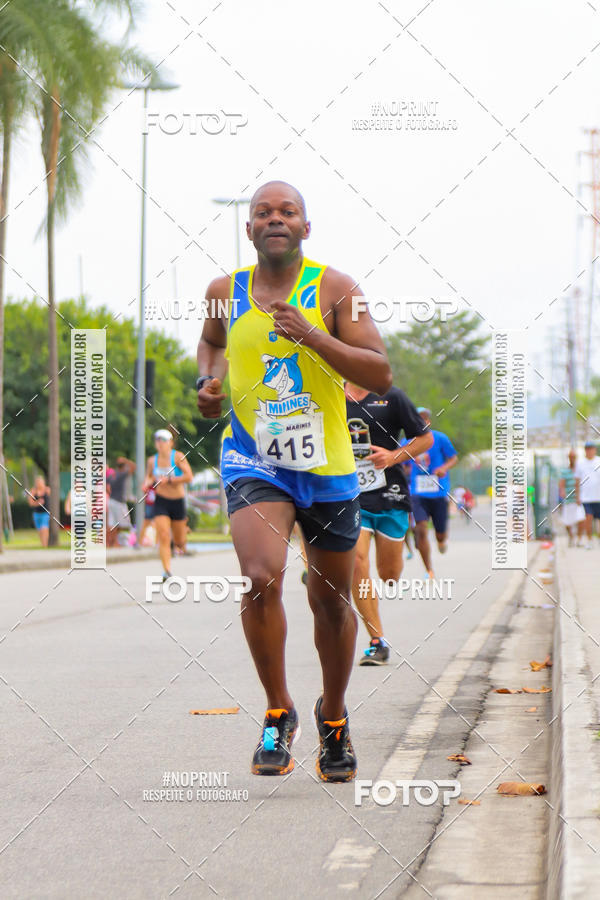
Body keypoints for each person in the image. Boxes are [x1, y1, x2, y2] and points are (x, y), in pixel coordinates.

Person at [196, 180, 392, 783]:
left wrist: (311, 334)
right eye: (263, 212)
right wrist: (207, 384)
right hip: (255, 458)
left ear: (306, 228)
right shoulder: (222, 292)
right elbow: (210, 343)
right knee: (260, 577)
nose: (274, 218)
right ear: (249, 228)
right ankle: (278, 711)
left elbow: (380, 373)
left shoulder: (336, 288)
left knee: (330, 603)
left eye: (288, 212)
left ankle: (332, 718)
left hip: (328, 464)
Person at [345, 381, 433, 665]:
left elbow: (425, 439)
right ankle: (376, 641)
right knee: (357, 562)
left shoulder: (391, 396)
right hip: (350, 494)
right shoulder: (332, 393)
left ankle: (392, 572)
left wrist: (393, 456)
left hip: (390, 493)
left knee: (389, 574)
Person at [406, 407, 458, 577]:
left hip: (438, 492)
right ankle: (429, 569)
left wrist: (444, 467)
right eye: (417, 418)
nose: (421, 422)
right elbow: (401, 463)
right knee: (420, 528)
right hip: (417, 492)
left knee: (440, 534)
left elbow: (453, 458)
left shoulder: (440, 438)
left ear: (428, 421)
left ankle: (442, 540)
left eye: (424, 419)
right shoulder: (407, 441)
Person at [143, 429, 193, 580]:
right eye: (157, 440)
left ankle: (181, 541)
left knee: (178, 541)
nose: (160, 443)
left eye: (164, 440)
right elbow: (149, 476)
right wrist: (146, 484)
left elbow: (189, 476)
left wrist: (170, 480)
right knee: (163, 535)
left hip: (177, 501)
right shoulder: (152, 460)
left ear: (171, 442)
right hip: (161, 501)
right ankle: (167, 571)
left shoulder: (178, 457)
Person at [575, 441, 600, 549]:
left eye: (592, 449)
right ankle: (589, 540)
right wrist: (577, 496)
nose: (590, 451)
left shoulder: (598, 461)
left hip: (598, 496)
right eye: (588, 449)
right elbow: (577, 481)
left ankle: (598, 539)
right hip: (586, 497)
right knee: (588, 518)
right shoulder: (580, 463)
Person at [107, 457, 135, 548]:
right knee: (125, 523)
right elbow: (134, 467)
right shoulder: (122, 474)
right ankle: (120, 542)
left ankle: (110, 543)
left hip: (111, 500)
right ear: (124, 467)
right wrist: (126, 460)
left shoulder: (113, 475)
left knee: (112, 523)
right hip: (119, 502)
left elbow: (107, 486)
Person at [559, 450, 585, 547]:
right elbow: (561, 483)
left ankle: (579, 539)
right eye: (570, 457)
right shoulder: (565, 471)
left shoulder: (580, 469)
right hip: (569, 499)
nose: (572, 459)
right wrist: (562, 491)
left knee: (581, 519)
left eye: (574, 457)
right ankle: (571, 536)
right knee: (567, 521)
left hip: (579, 499)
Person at [27, 475, 51, 547]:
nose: (39, 484)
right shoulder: (33, 491)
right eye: (38, 482)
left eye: (40, 482)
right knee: (40, 530)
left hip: (45, 513)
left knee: (44, 528)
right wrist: (37, 503)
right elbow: (30, 503)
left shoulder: (47, 490)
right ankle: (43, 544)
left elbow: (52, 501)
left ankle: (45, 545)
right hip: (37, 514)